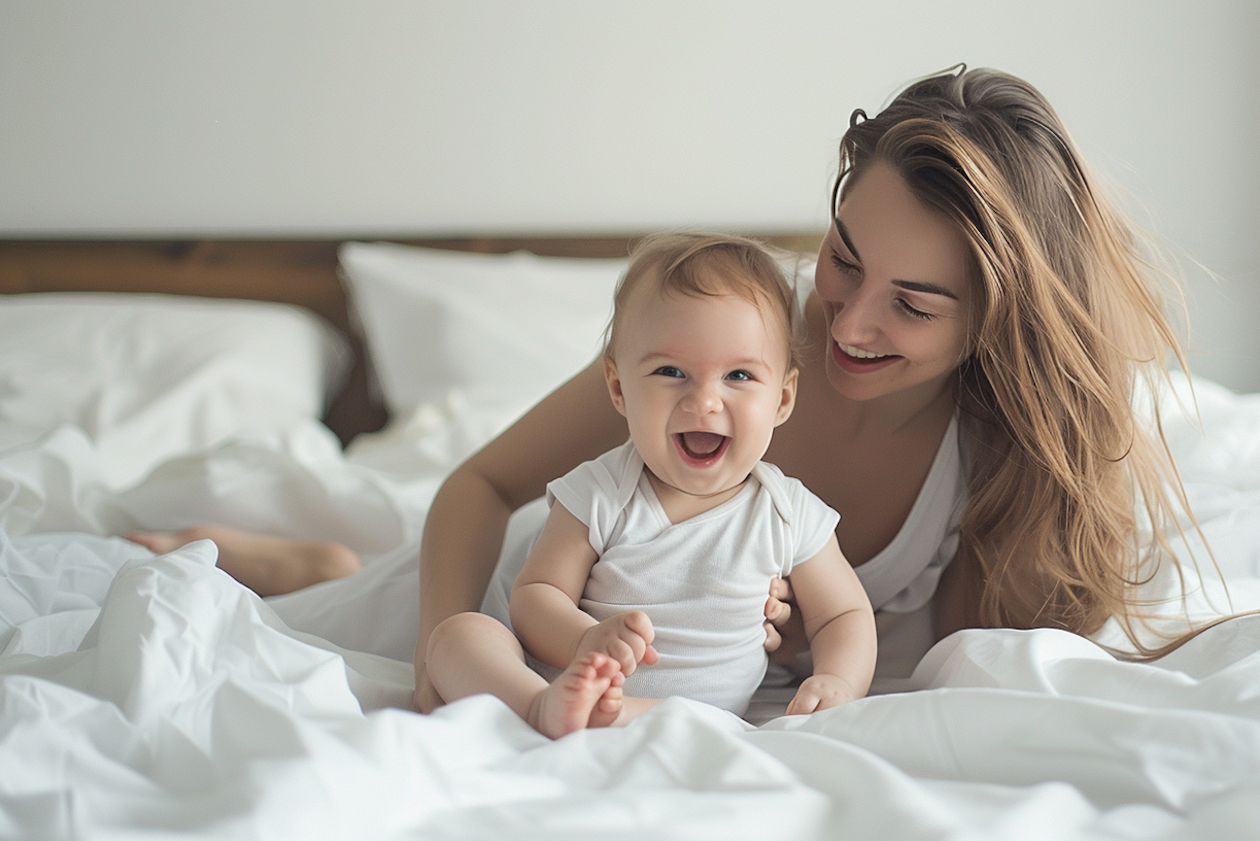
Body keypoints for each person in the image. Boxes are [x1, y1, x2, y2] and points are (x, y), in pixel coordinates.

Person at [133, 65, 1201, 715]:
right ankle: (310, 566)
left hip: (665, 679)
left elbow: (931, 658)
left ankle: (329, 554)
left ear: (998, 320)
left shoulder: (997, 464)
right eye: (842, 257)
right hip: (524, 605)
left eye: (915, 305)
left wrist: (788, 639)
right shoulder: (723, 342)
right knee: (326, 617)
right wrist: (442, 645)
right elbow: (482, 482)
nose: (849, 320)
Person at [421, 233, 876, 736]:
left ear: (783, 399)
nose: (704, 401)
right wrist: (585, 640)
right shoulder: (600, 492)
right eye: (671, 371)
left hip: (708, 718)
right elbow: (536, 596)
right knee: (459, 636)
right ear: (618, 389)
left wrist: (838, 681)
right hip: (579, 686)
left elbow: (844, 614)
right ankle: (537, 707)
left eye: (739, 376)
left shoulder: (788, 512)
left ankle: (608, 718)